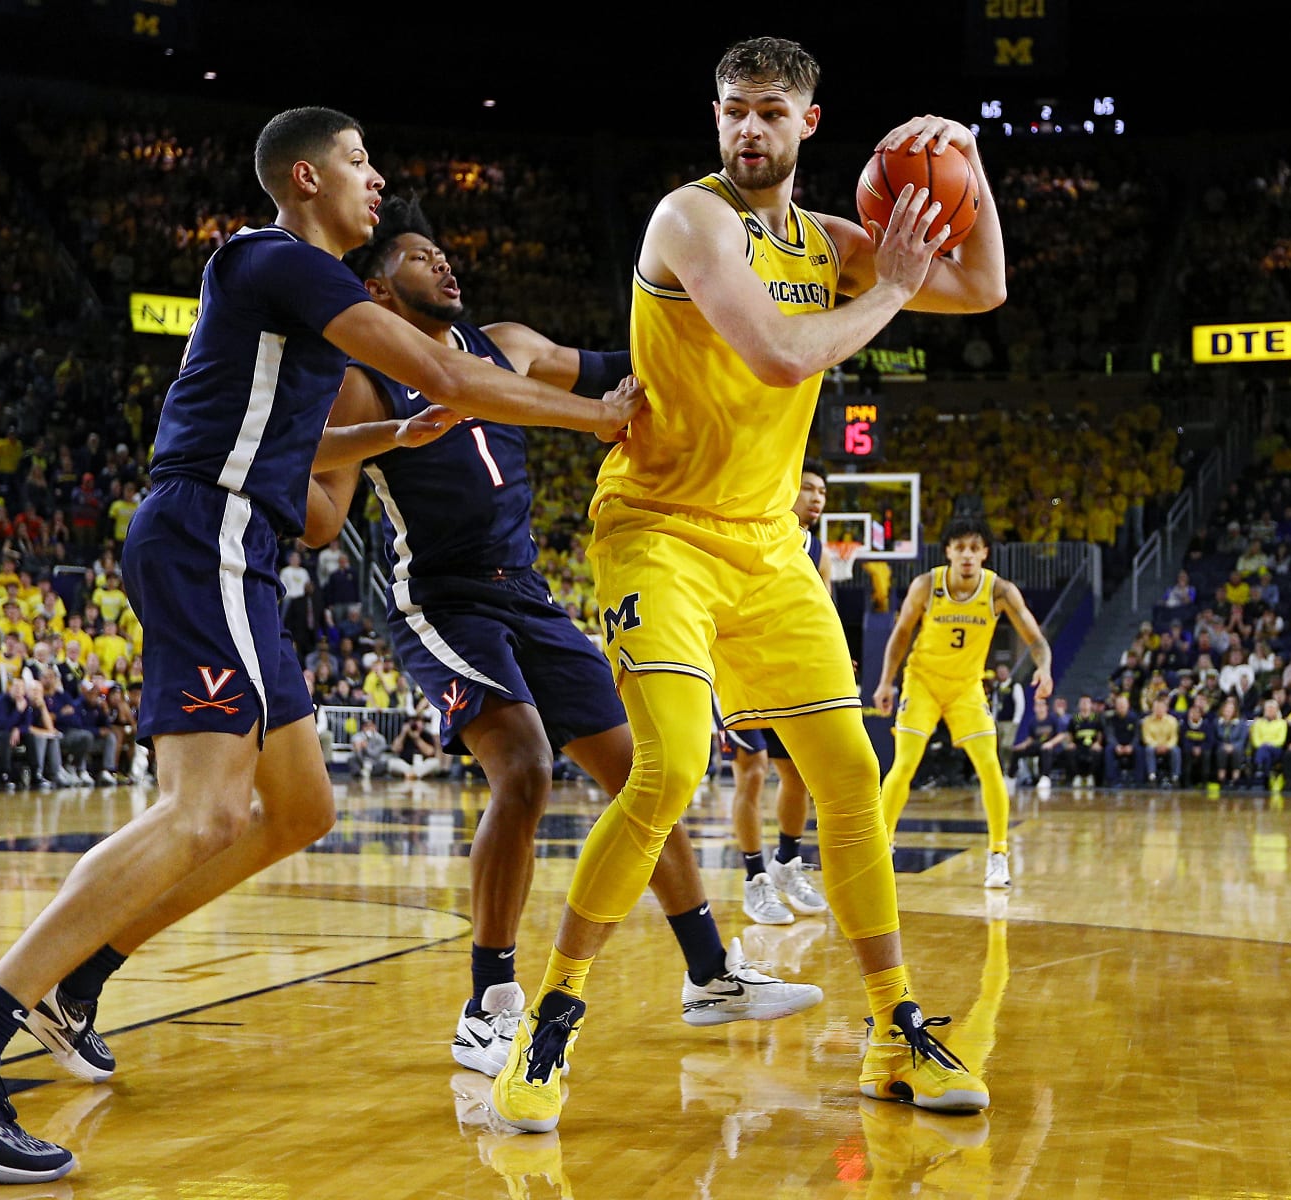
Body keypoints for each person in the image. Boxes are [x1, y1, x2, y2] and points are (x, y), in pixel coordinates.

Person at [0, 106, 640, 1183]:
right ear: (305, 176)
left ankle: (77, 980)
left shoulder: (303, 326)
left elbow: (322, 513)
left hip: (246, 544)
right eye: (362, 161)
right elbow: (458, 379)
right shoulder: (276, 258)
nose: (379, 181)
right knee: (204, 811)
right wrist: (601, 418)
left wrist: (389, 438)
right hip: (208, 535)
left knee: (300, 810)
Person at [491, 37, 1006, 1134]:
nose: (749, 130)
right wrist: (895, 290)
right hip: (659, 530)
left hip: (769, 547)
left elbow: (982, 285)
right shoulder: (692, 219)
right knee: (670, 764)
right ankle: (551, 1017)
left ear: (810, 124)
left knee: (850, 777)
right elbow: (779, 354)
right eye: (734, 110)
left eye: (771, 112)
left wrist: (969, 156)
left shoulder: (828, 241)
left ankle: (892, 1026)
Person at [308, 196, 818, 1077]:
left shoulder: (509, 344)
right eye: (421, 258)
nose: (443, 264)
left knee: (645, 775)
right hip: (443, 598)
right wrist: (276, 465)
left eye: (442, 253)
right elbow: (322, 521)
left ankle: (709, 975)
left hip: (529, 593)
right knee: (526, 766)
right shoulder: (365, 377)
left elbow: (638, 368)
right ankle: (488, 1002)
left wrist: (744, 364)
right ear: (380, 293)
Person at [876, 515, 1053, 887]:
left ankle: (999, 854)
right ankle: (881, 847)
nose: (967, 556)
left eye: (974, 548)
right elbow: (900, 634)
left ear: (985, 553)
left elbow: (1035, 638)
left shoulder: (999, 590)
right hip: (922, 682)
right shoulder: (927, 585)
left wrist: (1045, 668)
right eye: (960, 549)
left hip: (966, 688)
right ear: (948, 553)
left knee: (990, 767)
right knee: (904, 763)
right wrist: (885, 682)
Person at [725, 465, 833, 923]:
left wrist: (833, 652)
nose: (816, 497)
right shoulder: (748, 529)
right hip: (743, 665)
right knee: (752, 771)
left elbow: (824, 611)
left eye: (822, 491)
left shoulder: (820, 550)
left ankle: (787, 862)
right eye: (807, 487)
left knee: (801, 775)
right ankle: (755, 879)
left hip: (793, 671)